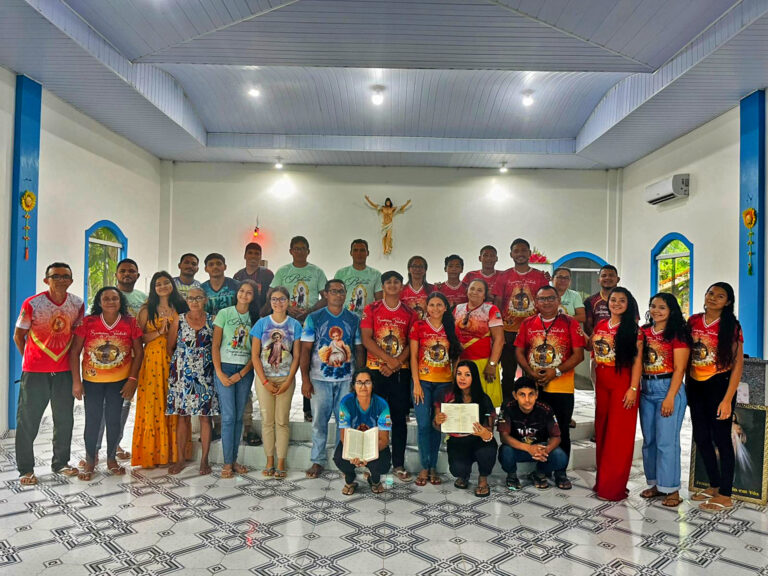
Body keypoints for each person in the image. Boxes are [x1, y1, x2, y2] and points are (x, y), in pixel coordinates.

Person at [14, 262, 84, 485]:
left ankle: (61, 463)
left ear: (71, 280)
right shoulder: (33, 303)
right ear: (46, 280)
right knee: (28, 422)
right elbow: (18, 336)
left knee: (64, 420)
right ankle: (25, 469)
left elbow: (77, 338)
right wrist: (31, 360)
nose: (61, 280)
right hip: (35, 374)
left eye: (65, 276)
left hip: (64, 372)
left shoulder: (77, 304)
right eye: (56, 276)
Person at [515, 285, 585, 489]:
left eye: (550, 298)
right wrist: (530, 372)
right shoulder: (528, 323)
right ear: (536, 302)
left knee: (561, 430)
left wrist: (557, 372)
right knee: (538, 430)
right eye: (542, 299)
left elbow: (579, 355)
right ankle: (541, 471)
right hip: (535, 388)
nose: (546, 302)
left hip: (562, 387)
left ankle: (560, 472)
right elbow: (519, 351)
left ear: (558, 300)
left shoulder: (570, 322)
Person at [70, 287, 143, 480]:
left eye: (114, 298)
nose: (111, 302)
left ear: (121, 301)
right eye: (106, 299)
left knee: (114, 421)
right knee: (92, 421)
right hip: (92, 382)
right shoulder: (88, 322)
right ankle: (90, 461)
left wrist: (132, 380)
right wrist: (76, 382)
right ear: (99, 302)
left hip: (119, 383)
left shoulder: (130, 322)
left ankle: (112, 459)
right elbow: (74, 352)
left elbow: (139, 353)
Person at [687, 283, 744, 512]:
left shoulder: (732, 326)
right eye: (710, 293)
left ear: (727, 302)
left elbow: (737, 364)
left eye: (720, 296)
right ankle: (714, 485)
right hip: (694, 385)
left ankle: (726, 494)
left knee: (722, 439)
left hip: (719, 386)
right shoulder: (693, 321)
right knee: (701, 437)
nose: (713, 298)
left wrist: (727, 399)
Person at [301, 280, 363, 479]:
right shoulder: (314, 318)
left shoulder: (353, 319)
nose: (338, 295)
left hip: (346, 378)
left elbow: (358, 349)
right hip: (319, 379)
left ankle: (342, 460)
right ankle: (317, 460)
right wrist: (305, 379)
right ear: (326, 294)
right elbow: (305, 350)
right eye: (334, 291)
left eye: (341, 291)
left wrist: (358, 378)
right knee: (319, 421)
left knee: (344, 420)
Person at [361, 271, 418, 482]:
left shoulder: (410, 312)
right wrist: (388, 361)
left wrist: (396, 364)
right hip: (376, 370)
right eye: (388, 282)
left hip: (400, 372)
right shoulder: (371, 309)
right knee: (373, 416)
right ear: (383, 286)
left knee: (398, 418)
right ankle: (371, 462)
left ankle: (398, 464)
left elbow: (412, 343)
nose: (392, 285)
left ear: (402, 286)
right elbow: (366, 339)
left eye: (396, 282)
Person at [638, 292, 691, 508]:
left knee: (666, 442)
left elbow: (680, 369)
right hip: (646, 388)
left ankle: (672, 489)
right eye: (653, 306)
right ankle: (655, 484)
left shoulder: (677, 334)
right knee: (649, 440)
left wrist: (670, 397)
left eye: (662, 307)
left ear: (671, 311)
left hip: (668, 388)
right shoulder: (643, 332)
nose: (656, 311)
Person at [590, 287, 642, 501]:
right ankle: (602, 481)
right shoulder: (601, 324)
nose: (617, 303)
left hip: (623, 382)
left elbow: (637, 362)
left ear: (629, 304)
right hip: (602, 382)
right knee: (602, 431)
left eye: (622, 300)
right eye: (613, 300)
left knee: (618, 436)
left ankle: (613, 488)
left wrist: (633, 388)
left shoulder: (634, 330)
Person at [132, 271, 188, 469]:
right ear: (153, 288)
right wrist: (158, 332)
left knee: (175, 403)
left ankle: (175, 454)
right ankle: (153, 454)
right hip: (153, 360)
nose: (163, 286)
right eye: (158, 284)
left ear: (172, 285)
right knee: (155, 404)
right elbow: (138, 338)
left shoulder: (181, 307)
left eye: (166, 282)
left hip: (178, 359)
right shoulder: (147, 309)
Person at [271, 235, 328, 421]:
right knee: (282, 361)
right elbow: (272, 294)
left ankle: (308, 408)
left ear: (308, 251)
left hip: (309, 325)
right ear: (291, 251)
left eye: (303, 248)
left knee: (308, 363)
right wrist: (287, 307)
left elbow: (325, 297)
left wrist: (310, 311)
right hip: (286, 324)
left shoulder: (317, 272)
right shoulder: (283, 271)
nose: (300, 251)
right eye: (296, 248)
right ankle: (277, 405)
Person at [410, 292, 461, 486]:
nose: (435, 308)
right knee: (423, 425)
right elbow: (413, 356)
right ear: (426, 307)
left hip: (444, 384)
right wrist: (416, 384)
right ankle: (424, 465)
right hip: (422, 383)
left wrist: (454, 380)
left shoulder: (451, 327)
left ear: (445, 308)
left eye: (440, 304)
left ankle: (433, 467)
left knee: (437, 424)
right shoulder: (419, 326)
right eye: (432, 305)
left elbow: (456, 356)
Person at [251, 287, 303, 478]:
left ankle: (281, 461)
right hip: (264, 379)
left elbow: (296, 356)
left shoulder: (295, 325)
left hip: (285, 379)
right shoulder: (262, 324)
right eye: (274, 299)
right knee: (267, 421)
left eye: (282, 299)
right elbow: (255, 356)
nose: (278, 303)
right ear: (269, 301)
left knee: (281, 421)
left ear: (288, 301)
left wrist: (289, 381)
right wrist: (265, 382)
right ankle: (269, 460)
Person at [166, 286, 218, 475]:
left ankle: (204, 461)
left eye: (198, 298)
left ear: (205, 299)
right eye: (190, 298)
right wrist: (182, 365)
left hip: (206, 374)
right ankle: (180, 459)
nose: (194, 301)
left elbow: (217, 346)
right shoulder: (179, 320)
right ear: (186, 301)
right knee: (182, 417)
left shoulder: (213, 320)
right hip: (182, 375)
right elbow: (170, 346)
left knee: (205, 417)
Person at [213, 280, 259, 478]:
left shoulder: (256, 318)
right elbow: (215, 345)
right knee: (229, 416)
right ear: (237, 293)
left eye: (249, 292)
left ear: (254, 297)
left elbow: (255, 352)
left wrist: (242, 373)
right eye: (241, 291)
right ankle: (227, 462)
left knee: (239, 416)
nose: (244, 295)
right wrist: (219, 373)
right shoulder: (224, 313)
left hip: (244, 371)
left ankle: (234, 460)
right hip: (224, 367)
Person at [492, 239, 549, 398]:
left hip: (534, 332)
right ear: (511, 254)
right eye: (516, 251)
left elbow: (545, 303)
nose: (520, 254)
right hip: (508, 332)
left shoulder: (540, 276)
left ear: (530, 253)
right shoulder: (504, 276)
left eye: (524, 250)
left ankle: (532, 403)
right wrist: (498, 331)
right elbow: (497, 305)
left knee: (533, 371)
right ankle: (507, 405)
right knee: (508, 373)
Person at [433, 361, 497, 497]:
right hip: (458, 441)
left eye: (467, 375)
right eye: (459, 374)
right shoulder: (446, 395)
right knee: (457, 470)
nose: (462, 378)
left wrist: (485, 434)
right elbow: (437, 426)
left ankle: (483, 479)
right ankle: (464, 475)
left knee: (487, 450)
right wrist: (437, 421)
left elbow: (490, 430)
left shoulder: (484, 399)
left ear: (474, 377)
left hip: (479, 440)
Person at [497, 376, 568, 490]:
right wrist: (528, 448)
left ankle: (539, 473)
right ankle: (512, 475)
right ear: (515, 395)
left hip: (540, 449)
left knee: (560, 457)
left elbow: (556, 436)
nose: (527, 399)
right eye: (522, 394)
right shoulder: (508, 407)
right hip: (518, 448)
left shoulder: (545, 409)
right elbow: (504, 437)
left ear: (536, 395)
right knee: (505, 451)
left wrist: (546, 450)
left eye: (531, 394)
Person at [333, 369, 392, 495]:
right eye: (359, 382)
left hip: (374, 444)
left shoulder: (382, 405)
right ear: (353, 385)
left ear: (373, 385)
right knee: (339, 458)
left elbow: (384, 439)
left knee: (383, 463)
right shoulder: (346, 402)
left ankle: (375, 480)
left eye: (367, 382)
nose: (363, 386)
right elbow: (344, 437)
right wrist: (355, 455)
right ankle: (350, 480)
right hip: (353, 443)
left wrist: (368, 455)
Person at [453, 279, 504, 406]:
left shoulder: (491, 309)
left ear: (485, 295)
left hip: (483, 364)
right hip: (461, 364)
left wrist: (492, 364)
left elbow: (499, 339)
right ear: (467, 291)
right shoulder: (458, 309)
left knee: (485, 405)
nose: (475, 292)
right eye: (472, 289)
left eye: (479, 290)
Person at [333, 239, 382, 317]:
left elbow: (379, 301)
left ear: (367, 253)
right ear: (351, 253)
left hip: (367, 318)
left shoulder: (376, 274)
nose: (359, 253)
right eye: (355, 250)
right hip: (345, 317)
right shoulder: (341, 273)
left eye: (362, 250)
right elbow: (334, 298)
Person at [233, 242, 274, 313]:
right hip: (242, 315)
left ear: (260, 257)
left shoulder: (268, 274)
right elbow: (236, 298)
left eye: (256, 254)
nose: (253, 256)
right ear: (245, 256)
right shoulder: (238, 276)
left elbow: (272, 297)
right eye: (250, 253)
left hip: (263, 314)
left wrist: (263, 313)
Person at [583, 265, 620, 337]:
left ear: (618, 279)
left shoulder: (628, 300)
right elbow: (587, 326)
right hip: (598, 341)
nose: (607, 278)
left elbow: (634, 322)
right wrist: (599, 340)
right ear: (598, 280)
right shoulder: (590, 301)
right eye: (604, 275)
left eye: (611, 275)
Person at [401, 255, 434, 320]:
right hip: (407, 324)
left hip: (427, 324)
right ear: (409, 269)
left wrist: (426, 309)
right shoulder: (401, 290)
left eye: (421, 267)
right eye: (414, 266)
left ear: (425, 270)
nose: (417, 269)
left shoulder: (433, 289)